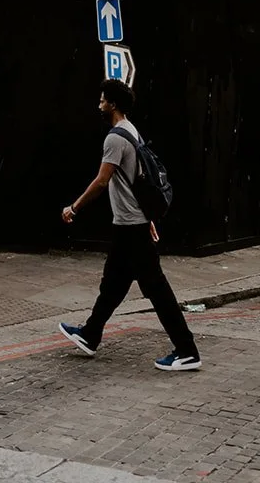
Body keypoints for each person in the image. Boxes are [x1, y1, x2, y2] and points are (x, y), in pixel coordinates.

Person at [59, 79, 201, 371]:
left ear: (112, 104)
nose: (99, 105)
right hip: (130, 224)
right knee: (113, 284)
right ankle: (90, 334)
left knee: (157, 290)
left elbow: (101, 181)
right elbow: (140, 179)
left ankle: (187, 350)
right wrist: (148, 217)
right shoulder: (132, 130)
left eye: (102, 100)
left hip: (131, 228)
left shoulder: (114, 138)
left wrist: (74, 207)